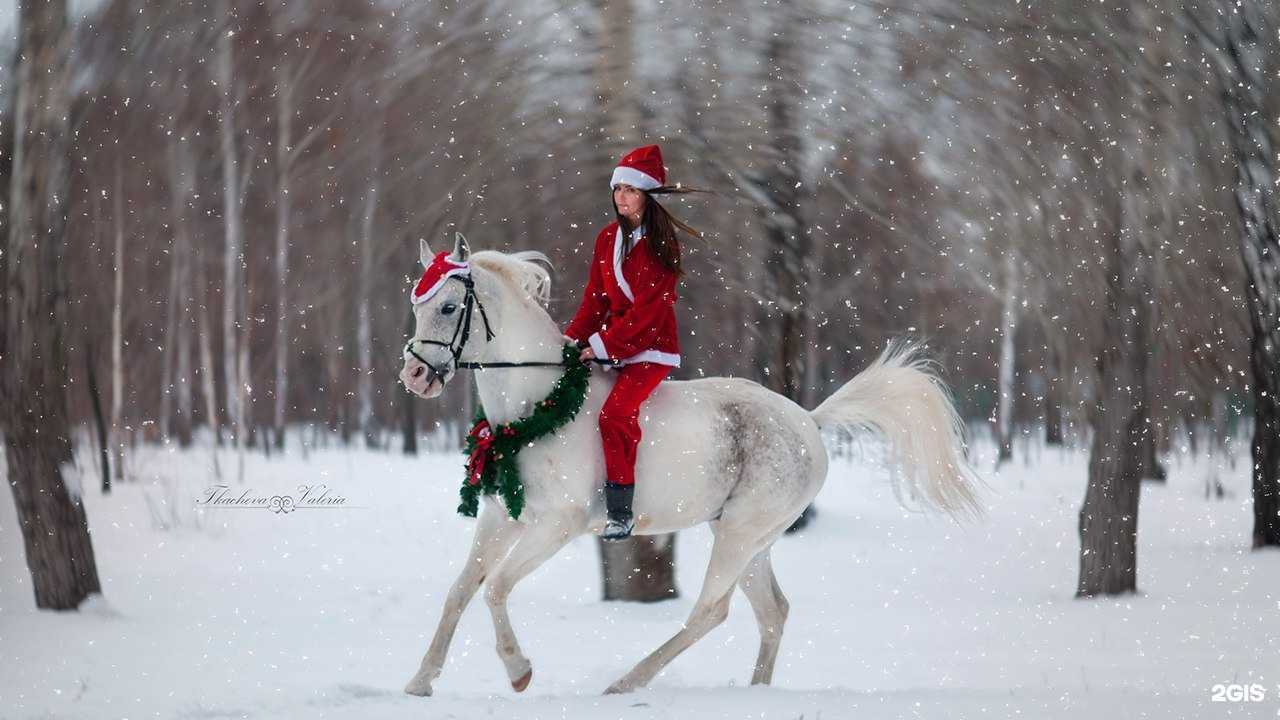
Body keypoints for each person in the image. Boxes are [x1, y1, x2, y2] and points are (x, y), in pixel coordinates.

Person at [564, 144, 704, 541]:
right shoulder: (607, 238)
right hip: (612, 344)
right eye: (617, 189)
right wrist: (572, 340)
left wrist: (604, 345)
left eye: (630, 190)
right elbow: (595, 299)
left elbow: (648, 313)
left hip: (651, 348)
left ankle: (620, 509)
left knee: (614, 415)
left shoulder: (662, 244)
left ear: (647, 195)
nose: (621, 197)